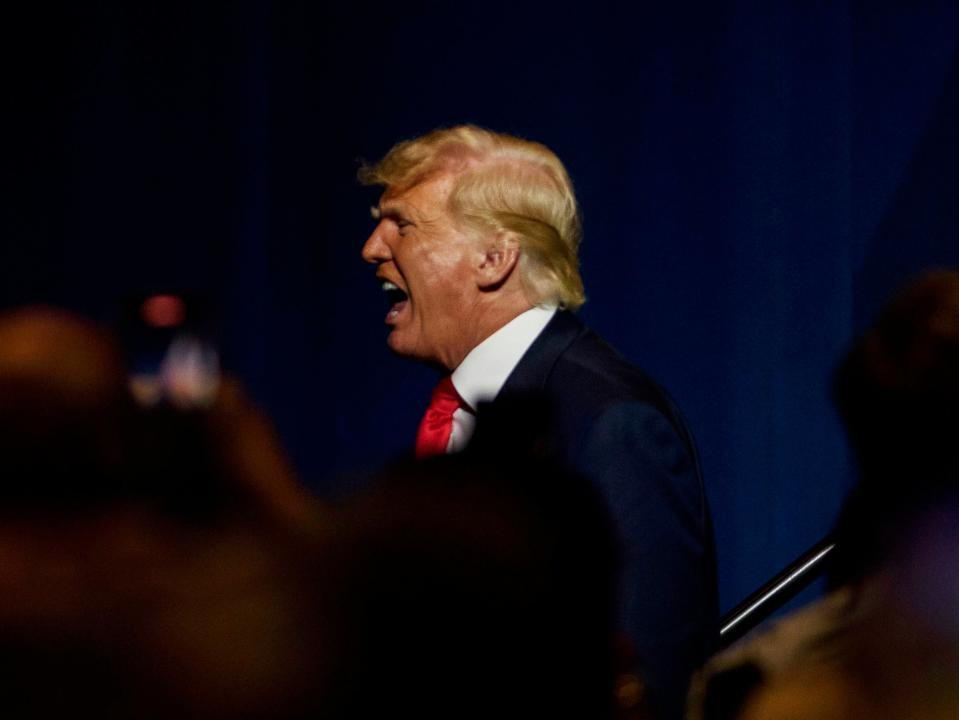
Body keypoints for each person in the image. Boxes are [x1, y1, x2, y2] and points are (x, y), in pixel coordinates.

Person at [359, 125, 717, 719]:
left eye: (403, 224)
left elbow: (650, 690)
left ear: (494, 259)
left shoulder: (613, 424)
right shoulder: (471, 415)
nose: (372, 247)